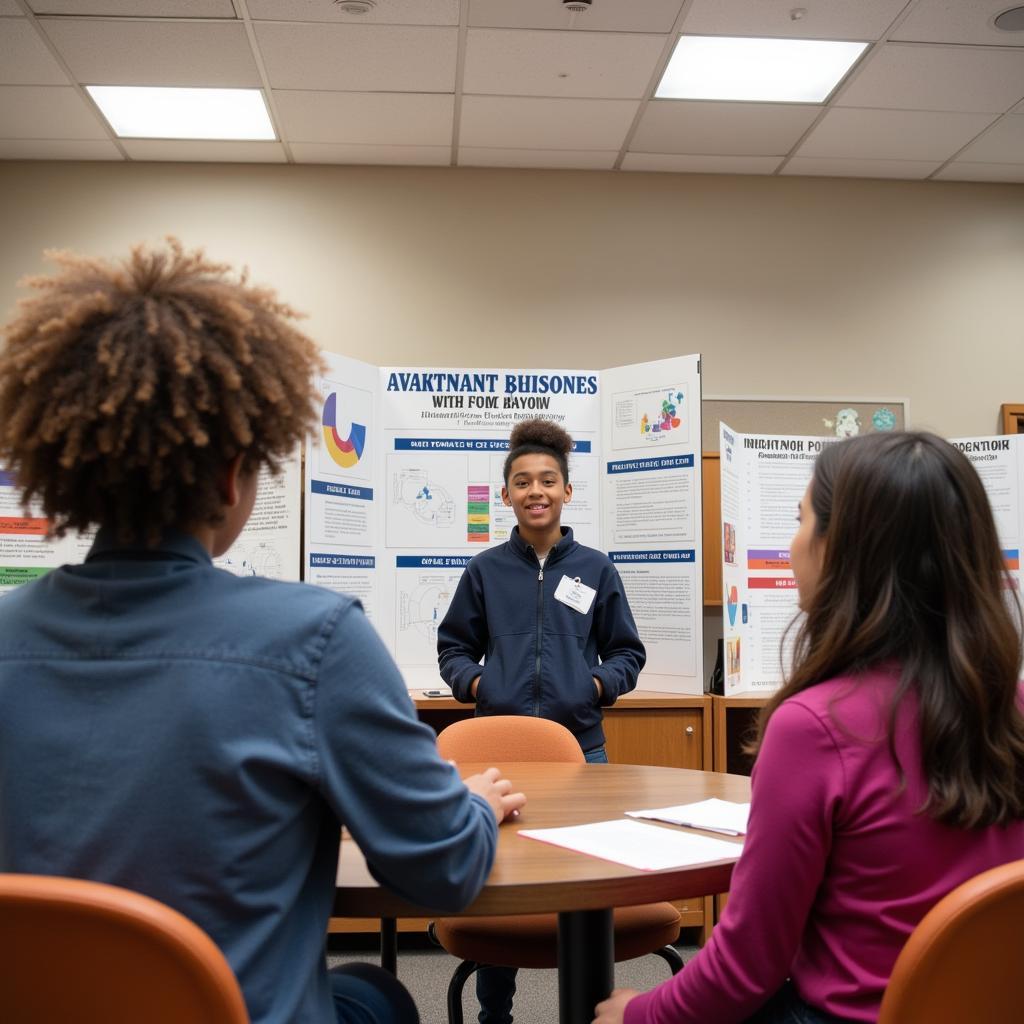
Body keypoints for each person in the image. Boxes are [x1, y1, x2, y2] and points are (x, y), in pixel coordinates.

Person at [0, 240, 526, 1024]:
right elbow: (444, 872)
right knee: (377, 996)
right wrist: (475, 804)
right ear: (229, 474)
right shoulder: (315, 641)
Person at [595, 430, 1024, 1024]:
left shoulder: (814, 726)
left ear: (843, 550)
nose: (791, 544)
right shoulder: (1013, 702)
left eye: (802, 520)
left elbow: (745, 970)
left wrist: (639, 1012)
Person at [438, 416, 646, 1024]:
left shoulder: (596, 569)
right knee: (501, 890)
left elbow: (627, 653)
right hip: (498, 763)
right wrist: (477, 683)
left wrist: (594, 685)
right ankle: (493, 1014)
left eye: (548, 480)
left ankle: (587, 1008)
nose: (536, 491)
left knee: (588, 885)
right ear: (506, 494)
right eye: (523, 481)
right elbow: (453, 649)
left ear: (566, 491)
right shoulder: (484, 571)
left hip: (581, 750)